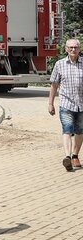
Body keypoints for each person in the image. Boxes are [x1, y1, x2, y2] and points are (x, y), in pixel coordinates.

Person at [48, 38, 83, 172]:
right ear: (66, 49)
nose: (73, 50)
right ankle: (67, 157)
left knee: (79, 131)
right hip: (66, 103)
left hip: (81, 104)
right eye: (70, 47)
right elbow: (54, 85)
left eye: (76, 47)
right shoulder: (59, 64)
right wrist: (50, 103)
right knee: (67, 129)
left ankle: (75, 156)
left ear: (79, 49)